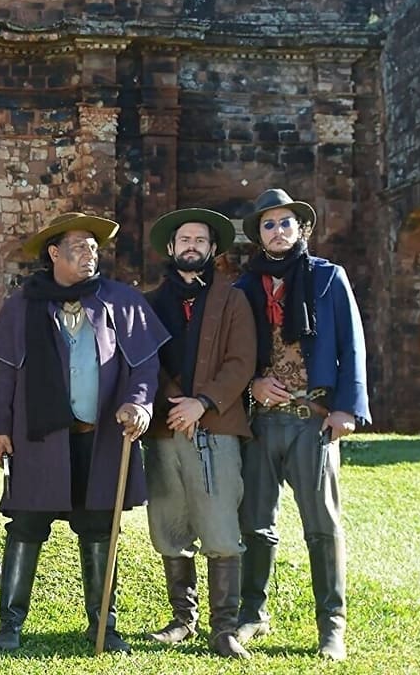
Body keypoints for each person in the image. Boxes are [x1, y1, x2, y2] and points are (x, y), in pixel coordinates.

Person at [0, 212, 168, 653]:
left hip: (100, 435)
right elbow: (5, 372)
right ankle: (10, 624)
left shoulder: (121, 301)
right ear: (54, 253)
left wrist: (139, 403)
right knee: (27, 524)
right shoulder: (23, 304)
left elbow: (144, 364)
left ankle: (103, 623)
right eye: (79, 246)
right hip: (37, 437)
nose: (90, 253)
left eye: (93, 246)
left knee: (100, 528)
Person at [234, 188, 370, 661]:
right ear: (259, 236)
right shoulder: (243, 288)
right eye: (268, 225)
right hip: (263, 421)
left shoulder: (329, 278)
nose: (277, 231)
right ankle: (253, 613)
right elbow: (235, 355)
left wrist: (346, 408)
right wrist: (252, 384)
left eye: (285, 223)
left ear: (301, 229)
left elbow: (352, 346)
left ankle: (332, 625)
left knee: (322, 526)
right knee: (255, 524)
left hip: (313, 419)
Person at [142, 208, 256, 658]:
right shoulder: (149, 303)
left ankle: (223, 628)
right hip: (166, 428)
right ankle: (182, 619)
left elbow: (241, 361)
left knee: (221, 526)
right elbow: (144, 360)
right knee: (170, 524)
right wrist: (176, 404)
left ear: (212, 250)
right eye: (184, 239)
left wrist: (202, 403)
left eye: (200, 240)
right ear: (171, 248)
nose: (191, 246)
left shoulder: (232, 300)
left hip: (216, 426)